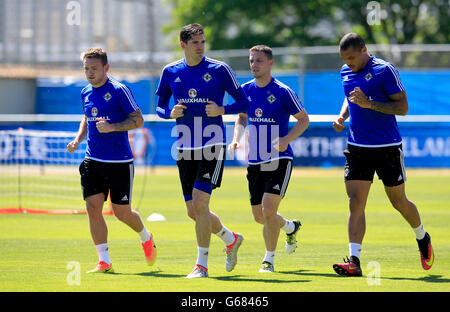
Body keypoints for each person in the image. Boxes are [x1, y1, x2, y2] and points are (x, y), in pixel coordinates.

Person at [332, 33, 434, 276]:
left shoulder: (385, 70)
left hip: (387, 146)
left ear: (364, 50)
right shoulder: (345, 71)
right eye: (345, 59)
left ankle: (422, 236)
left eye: (352, 58)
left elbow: (403, 108)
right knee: (355, 202)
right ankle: (354, 262)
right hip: (357, 147)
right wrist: (342, 115)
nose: (348, 63)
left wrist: (370, 104)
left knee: (399, 202)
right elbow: (350, 97)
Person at [155, 23, 249, 278]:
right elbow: (160, 106)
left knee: (200, 202)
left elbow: (244, 103)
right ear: (183, 45)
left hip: (212, 143)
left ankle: (202, 266)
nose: (200, 46)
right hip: (184, 145)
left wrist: (222, 110)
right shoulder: (170, 71)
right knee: (193, 211)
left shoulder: (219, 70)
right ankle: (231, 239)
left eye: (203, 42)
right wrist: (168, 113)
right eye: (195, 42)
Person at [67, 47, 157, 273]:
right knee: (92, 208)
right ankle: (104, 261)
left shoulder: (119, 90)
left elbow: (138, 120)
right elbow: (87, 118)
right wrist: (78, 140)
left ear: (106, 68)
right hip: (92, 161)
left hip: (119, 163)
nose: (89, 73)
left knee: (122, 213)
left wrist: (113, 127)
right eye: (86, 68)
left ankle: (146, 237)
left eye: (94, 68)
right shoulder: (85, 92)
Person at [228, 45, 309, 273]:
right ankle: (290, 227)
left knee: (268, 209)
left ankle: (268, 260)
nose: (254, 65)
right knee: (260, 216)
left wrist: (286, 139)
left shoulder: (283, 91)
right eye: (252, 61)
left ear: (270, 63)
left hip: (280, 158)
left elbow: (303, 120)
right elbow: (242, 118)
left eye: (259, 61)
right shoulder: (245, 90)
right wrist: (236, 139)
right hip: (255, 161)